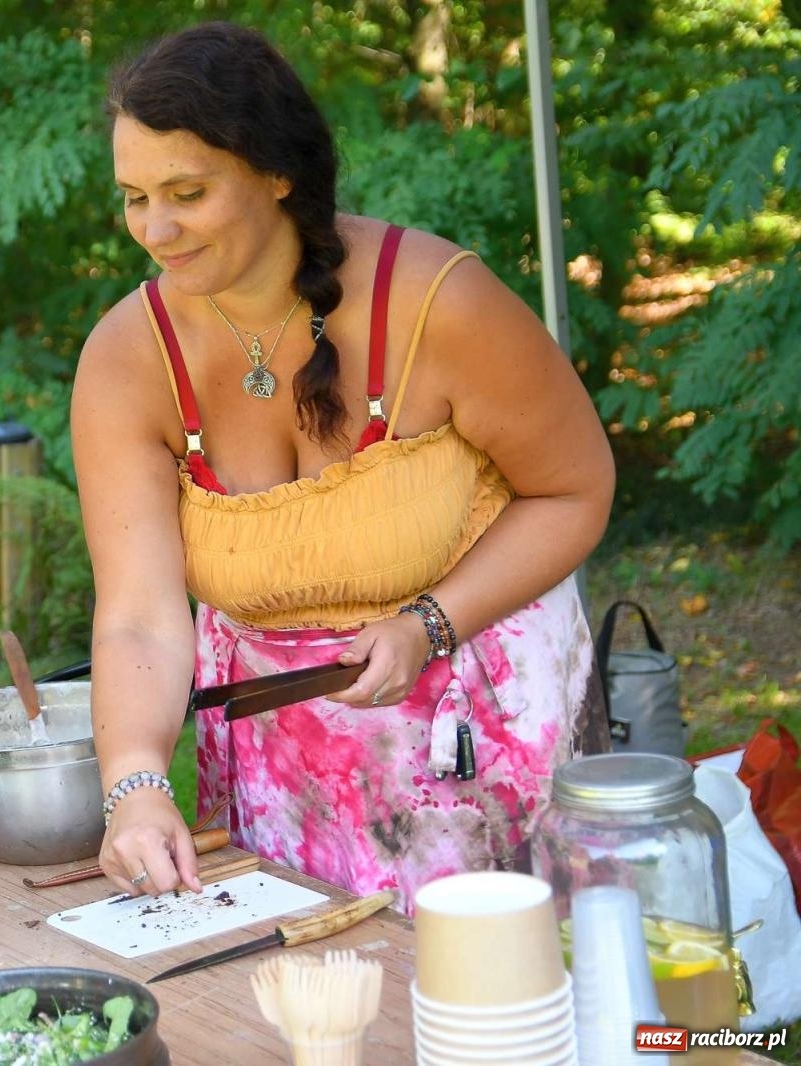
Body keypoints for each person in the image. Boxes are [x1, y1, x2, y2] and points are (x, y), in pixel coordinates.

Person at [74, 22, 615, 915]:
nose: (155, 230)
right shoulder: (127, 358)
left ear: (277, 173)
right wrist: (135, 785)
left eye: (187, 192)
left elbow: (575, 490)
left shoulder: (441, 301)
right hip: (283, 774)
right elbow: (138, 615)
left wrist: (428, 623)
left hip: (480, 736)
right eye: (134, 197)